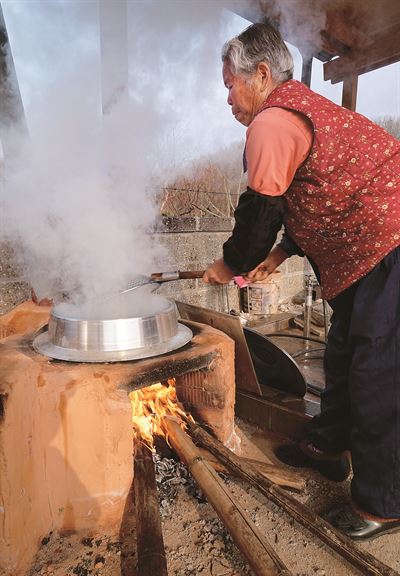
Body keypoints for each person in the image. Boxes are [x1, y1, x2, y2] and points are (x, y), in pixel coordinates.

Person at [203, 21, 400, 540]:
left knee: (378, 372)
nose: (227, 98)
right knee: (342, 355)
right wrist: (282, 252)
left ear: (261, 74)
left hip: (390, 243)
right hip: (364, 252)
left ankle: (383, 502)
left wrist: (233, 263)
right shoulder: (299, 112)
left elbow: (261, 207)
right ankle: (329, 449)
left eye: (229, 83)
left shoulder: (272, 120)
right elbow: (317, 192)